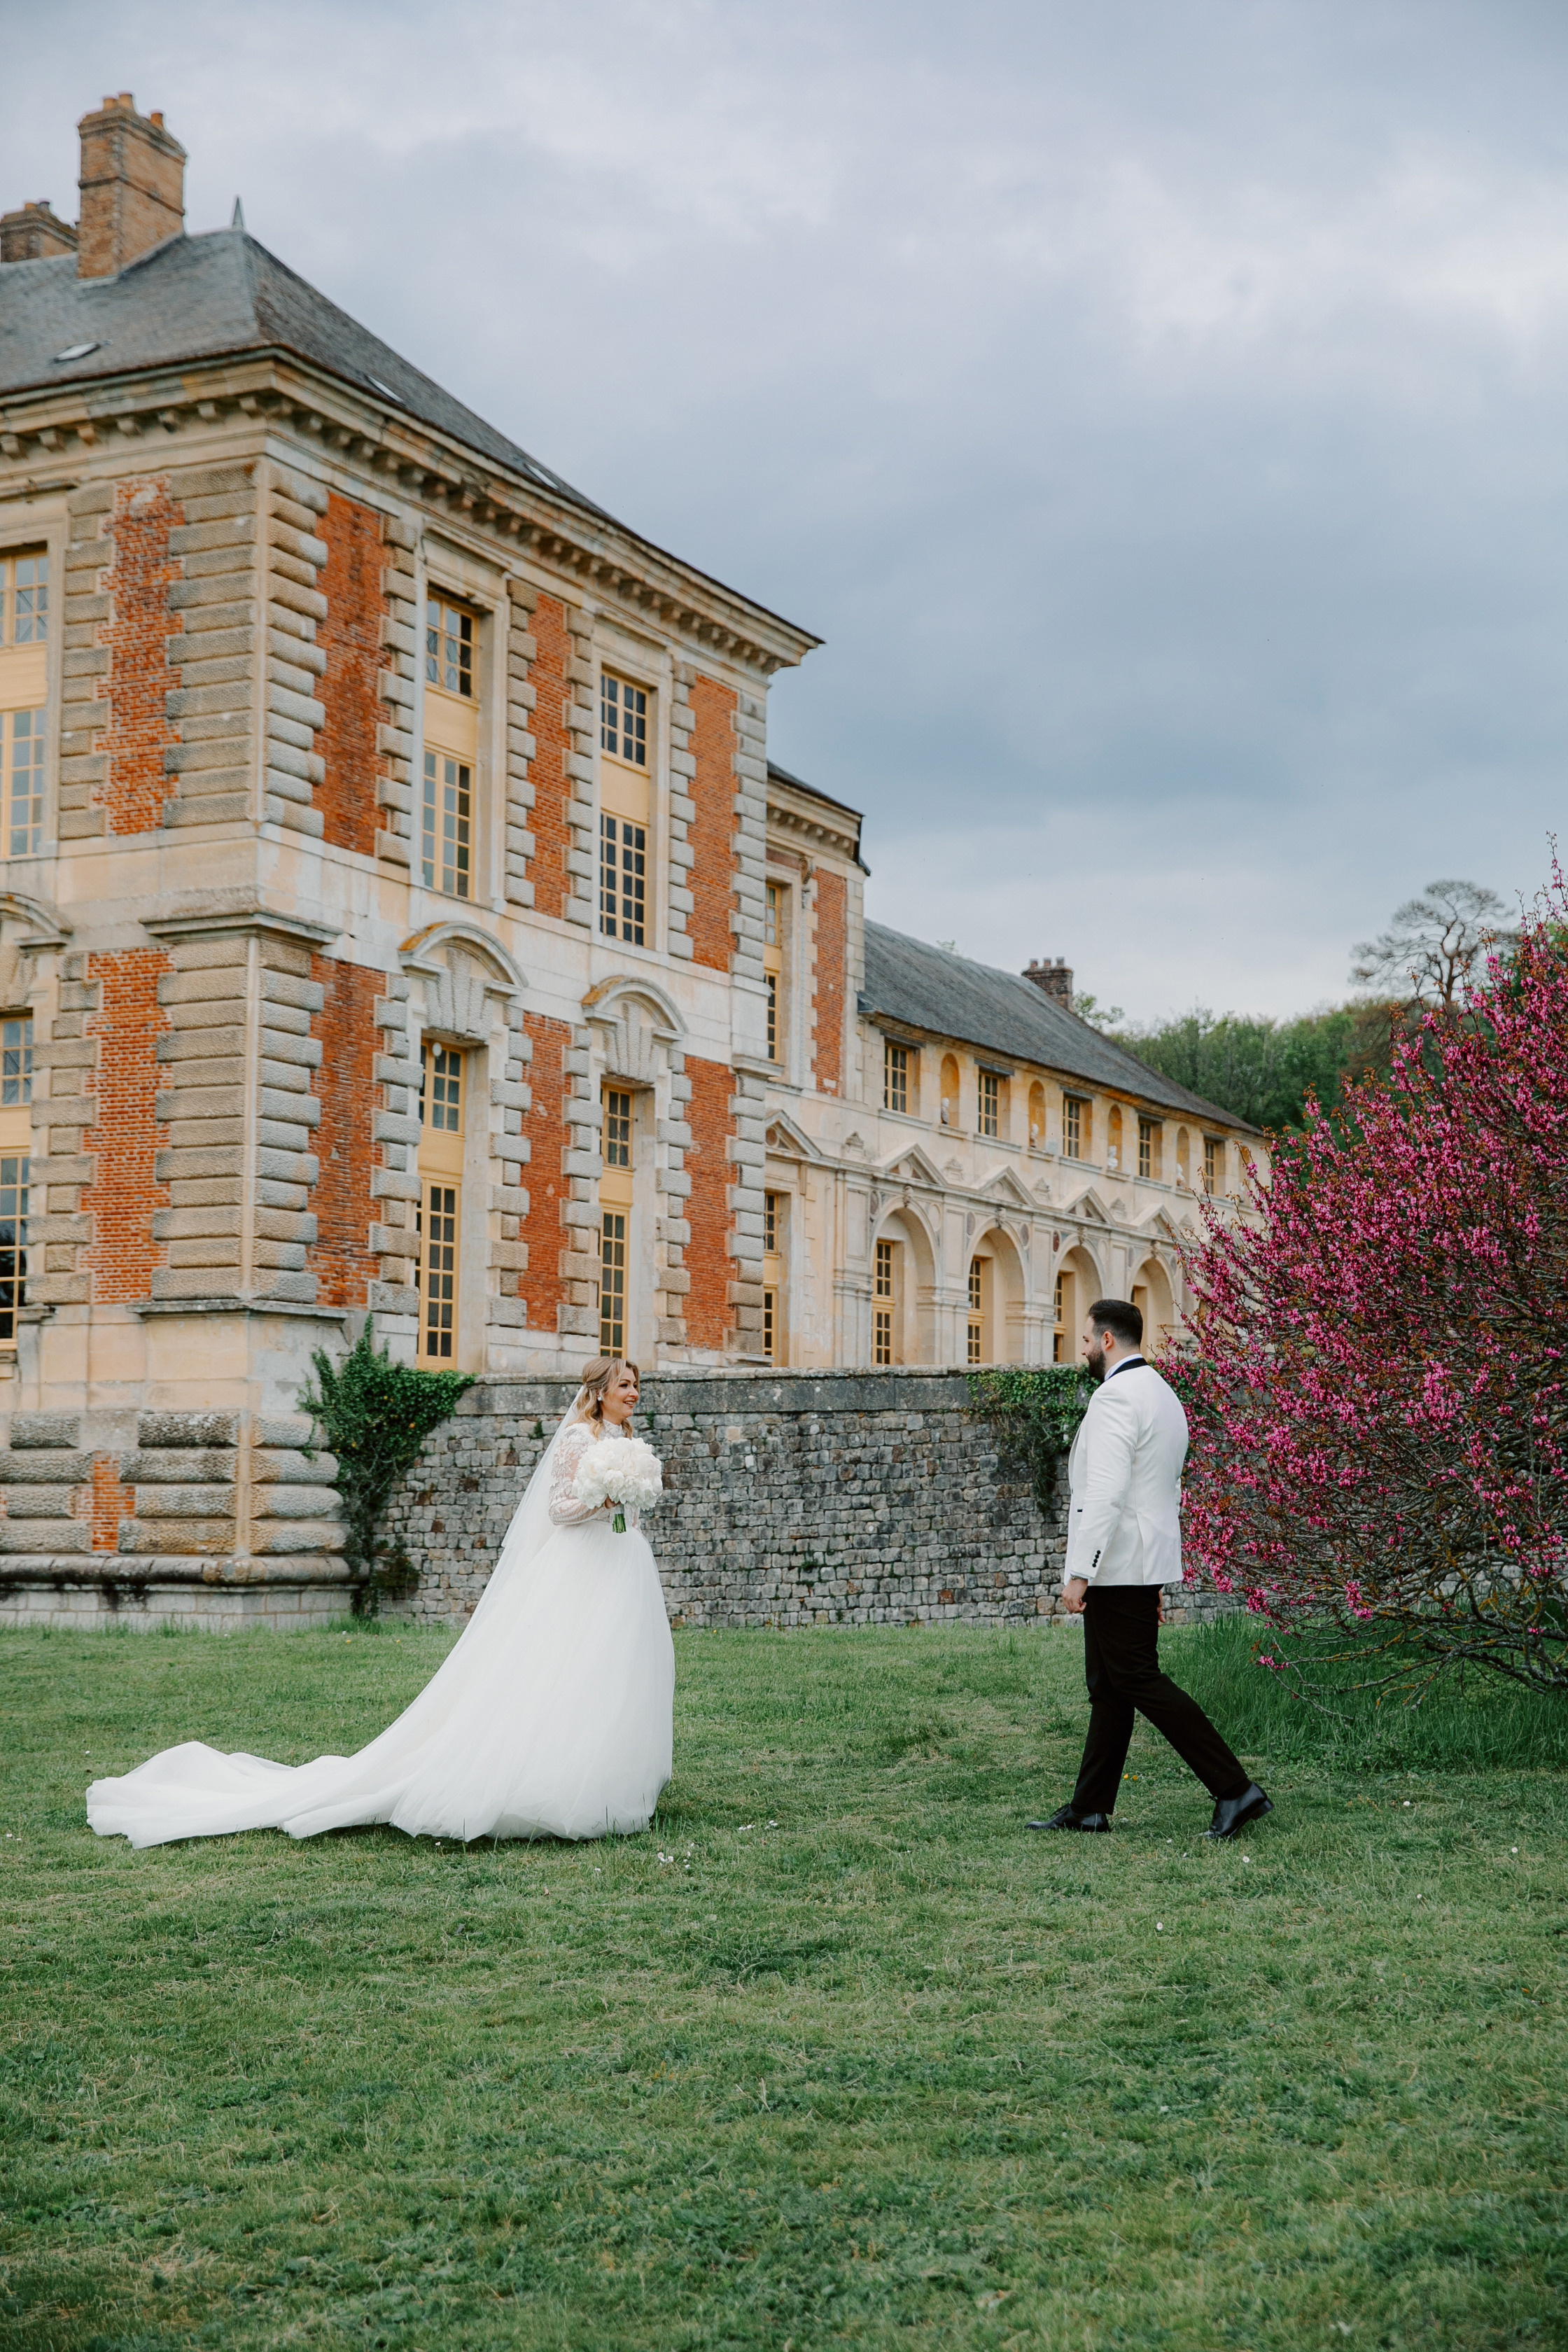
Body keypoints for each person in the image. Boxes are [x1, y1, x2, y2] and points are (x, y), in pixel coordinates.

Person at [87, 1359, 674, 1849]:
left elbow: (622, 1507)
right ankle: (541, 1783)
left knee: (609, 1673)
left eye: (636, 1385)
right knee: (558, 1671)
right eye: (625, 1385)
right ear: (597, 1393)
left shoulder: (623, 1443)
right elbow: (558, 1511)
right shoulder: (577, 1440)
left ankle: (604, 1782)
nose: (634, 1393)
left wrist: (624, 1499)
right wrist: (604, 1502)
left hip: (619, 1566)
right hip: (576, 1571)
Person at [1028, 1299, 1271, 1840]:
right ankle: (1090, 1807)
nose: (1084, 1348)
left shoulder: (1115, 1398)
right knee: (1110, 1687)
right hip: (1138, 1563)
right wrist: (1154, 1578)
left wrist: (1080, 1572)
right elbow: (1161, 1491)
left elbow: (1107, 1494)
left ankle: (1234, 1789)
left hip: (1114, 1564)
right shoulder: (1163, 1395)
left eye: (1087, 1338)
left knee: (1135, 1678)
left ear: (1108, 1340)